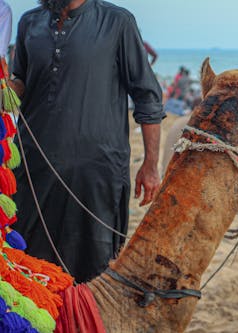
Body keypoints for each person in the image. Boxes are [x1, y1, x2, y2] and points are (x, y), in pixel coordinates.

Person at [10, 0, 164, 283]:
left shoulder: (117, 22)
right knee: (28, 267)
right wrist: (6, 87)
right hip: (32, 169)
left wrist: (151, 165)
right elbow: (20, 80)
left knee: (94, 270)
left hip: (97, 173)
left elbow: (147, 96)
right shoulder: (29, 23)